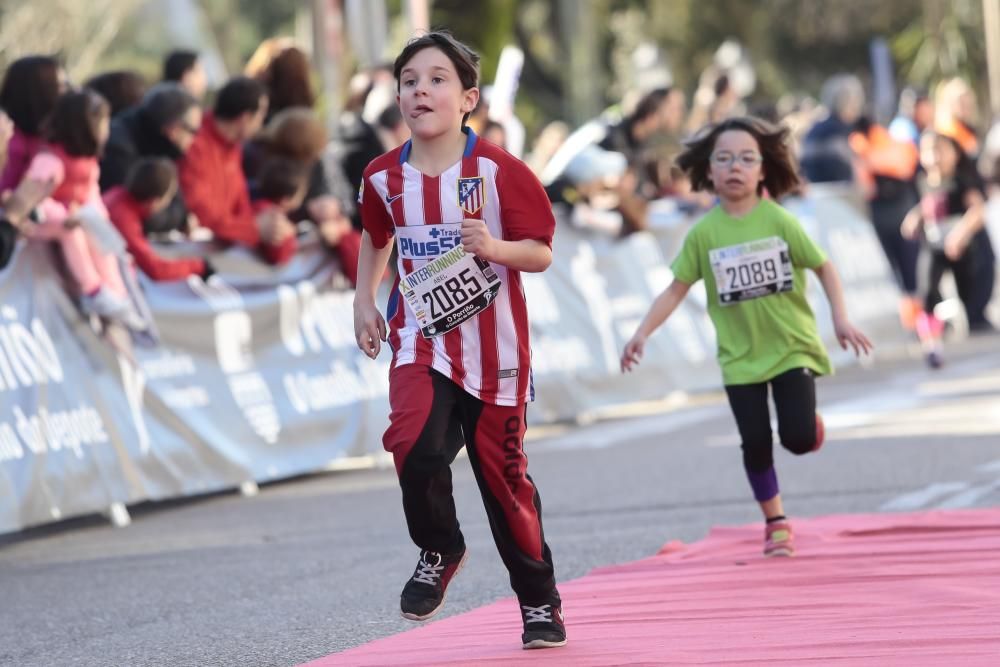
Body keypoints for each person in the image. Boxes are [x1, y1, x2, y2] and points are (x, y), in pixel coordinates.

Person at [353, 31, 566, 650]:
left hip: (495, 351)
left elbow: (541, 251)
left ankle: (539, 602)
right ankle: (440, 547)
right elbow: (375, 237)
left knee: (504, 482)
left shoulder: (498, 171)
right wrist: (364, 300)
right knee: (411, 446)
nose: (421, 89)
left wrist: (495, 249)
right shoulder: (382, 177)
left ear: (468, 97)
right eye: (410, 80)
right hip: (421, 340)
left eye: (437, 79)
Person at [621, 116, 872, 558]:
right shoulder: (703, 233)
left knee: (796, 439)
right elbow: (676, 288)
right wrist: (642, 332)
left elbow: (824, 266)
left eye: (746, 158)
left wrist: (841, 319)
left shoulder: (779, 221)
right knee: (755, 442)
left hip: (791, 347)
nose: (735, 166)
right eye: (724, 158)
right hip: (740, 358)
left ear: (762, 169)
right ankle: (776, 521)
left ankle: (807, 425)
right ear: (709, 170)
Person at [20, 90, 146, 330]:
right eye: (103, 122)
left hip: (75, 217)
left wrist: (98, 220)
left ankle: (116, 295)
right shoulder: (50, 160)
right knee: (73, 234)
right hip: (43, 222)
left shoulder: (87, 162)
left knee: (101, 241)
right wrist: (64, 215)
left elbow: (91, 195)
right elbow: (31, 199)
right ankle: (93, 290)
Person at [178, 77, 296, 265]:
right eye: (260, 116)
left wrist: (271, 223)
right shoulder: (194, 144)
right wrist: (255, 229)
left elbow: (240, 207)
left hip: (223, 257)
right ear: (245, 118)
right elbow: (202, 215)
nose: (262, 123)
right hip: (197, 263)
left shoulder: (233, 146)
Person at [901, 132, 989, 366]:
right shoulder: (922, 181)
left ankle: (960, 322)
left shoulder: (962, 181)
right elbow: (926, 205)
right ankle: (932, 346)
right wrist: (914, 217)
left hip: (961, 250)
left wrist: (960, 235)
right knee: (926, 291)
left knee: (969, 297)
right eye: (928, 151)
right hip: (934, 247)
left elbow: (977, 211)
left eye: (939, 150)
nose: (934, 157)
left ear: (954, 154)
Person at [99, 83, 202, 236]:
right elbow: (137, 214)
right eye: (193, 131)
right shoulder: (119, 148)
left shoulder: (162, 148)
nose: (194, 140)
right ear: (173, 128)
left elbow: (178, 205)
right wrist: (176, 218)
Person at [105, 158, 212, 282]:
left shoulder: (117, 195)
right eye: (168, 198)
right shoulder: (125, 221)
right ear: (154, 202)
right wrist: (199, 266)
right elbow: (156, 269)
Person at [0, 55, 67, 194]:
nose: (65, 93)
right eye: (59, 86)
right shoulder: (8, 136)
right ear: (39, 90)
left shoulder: (47, 136)